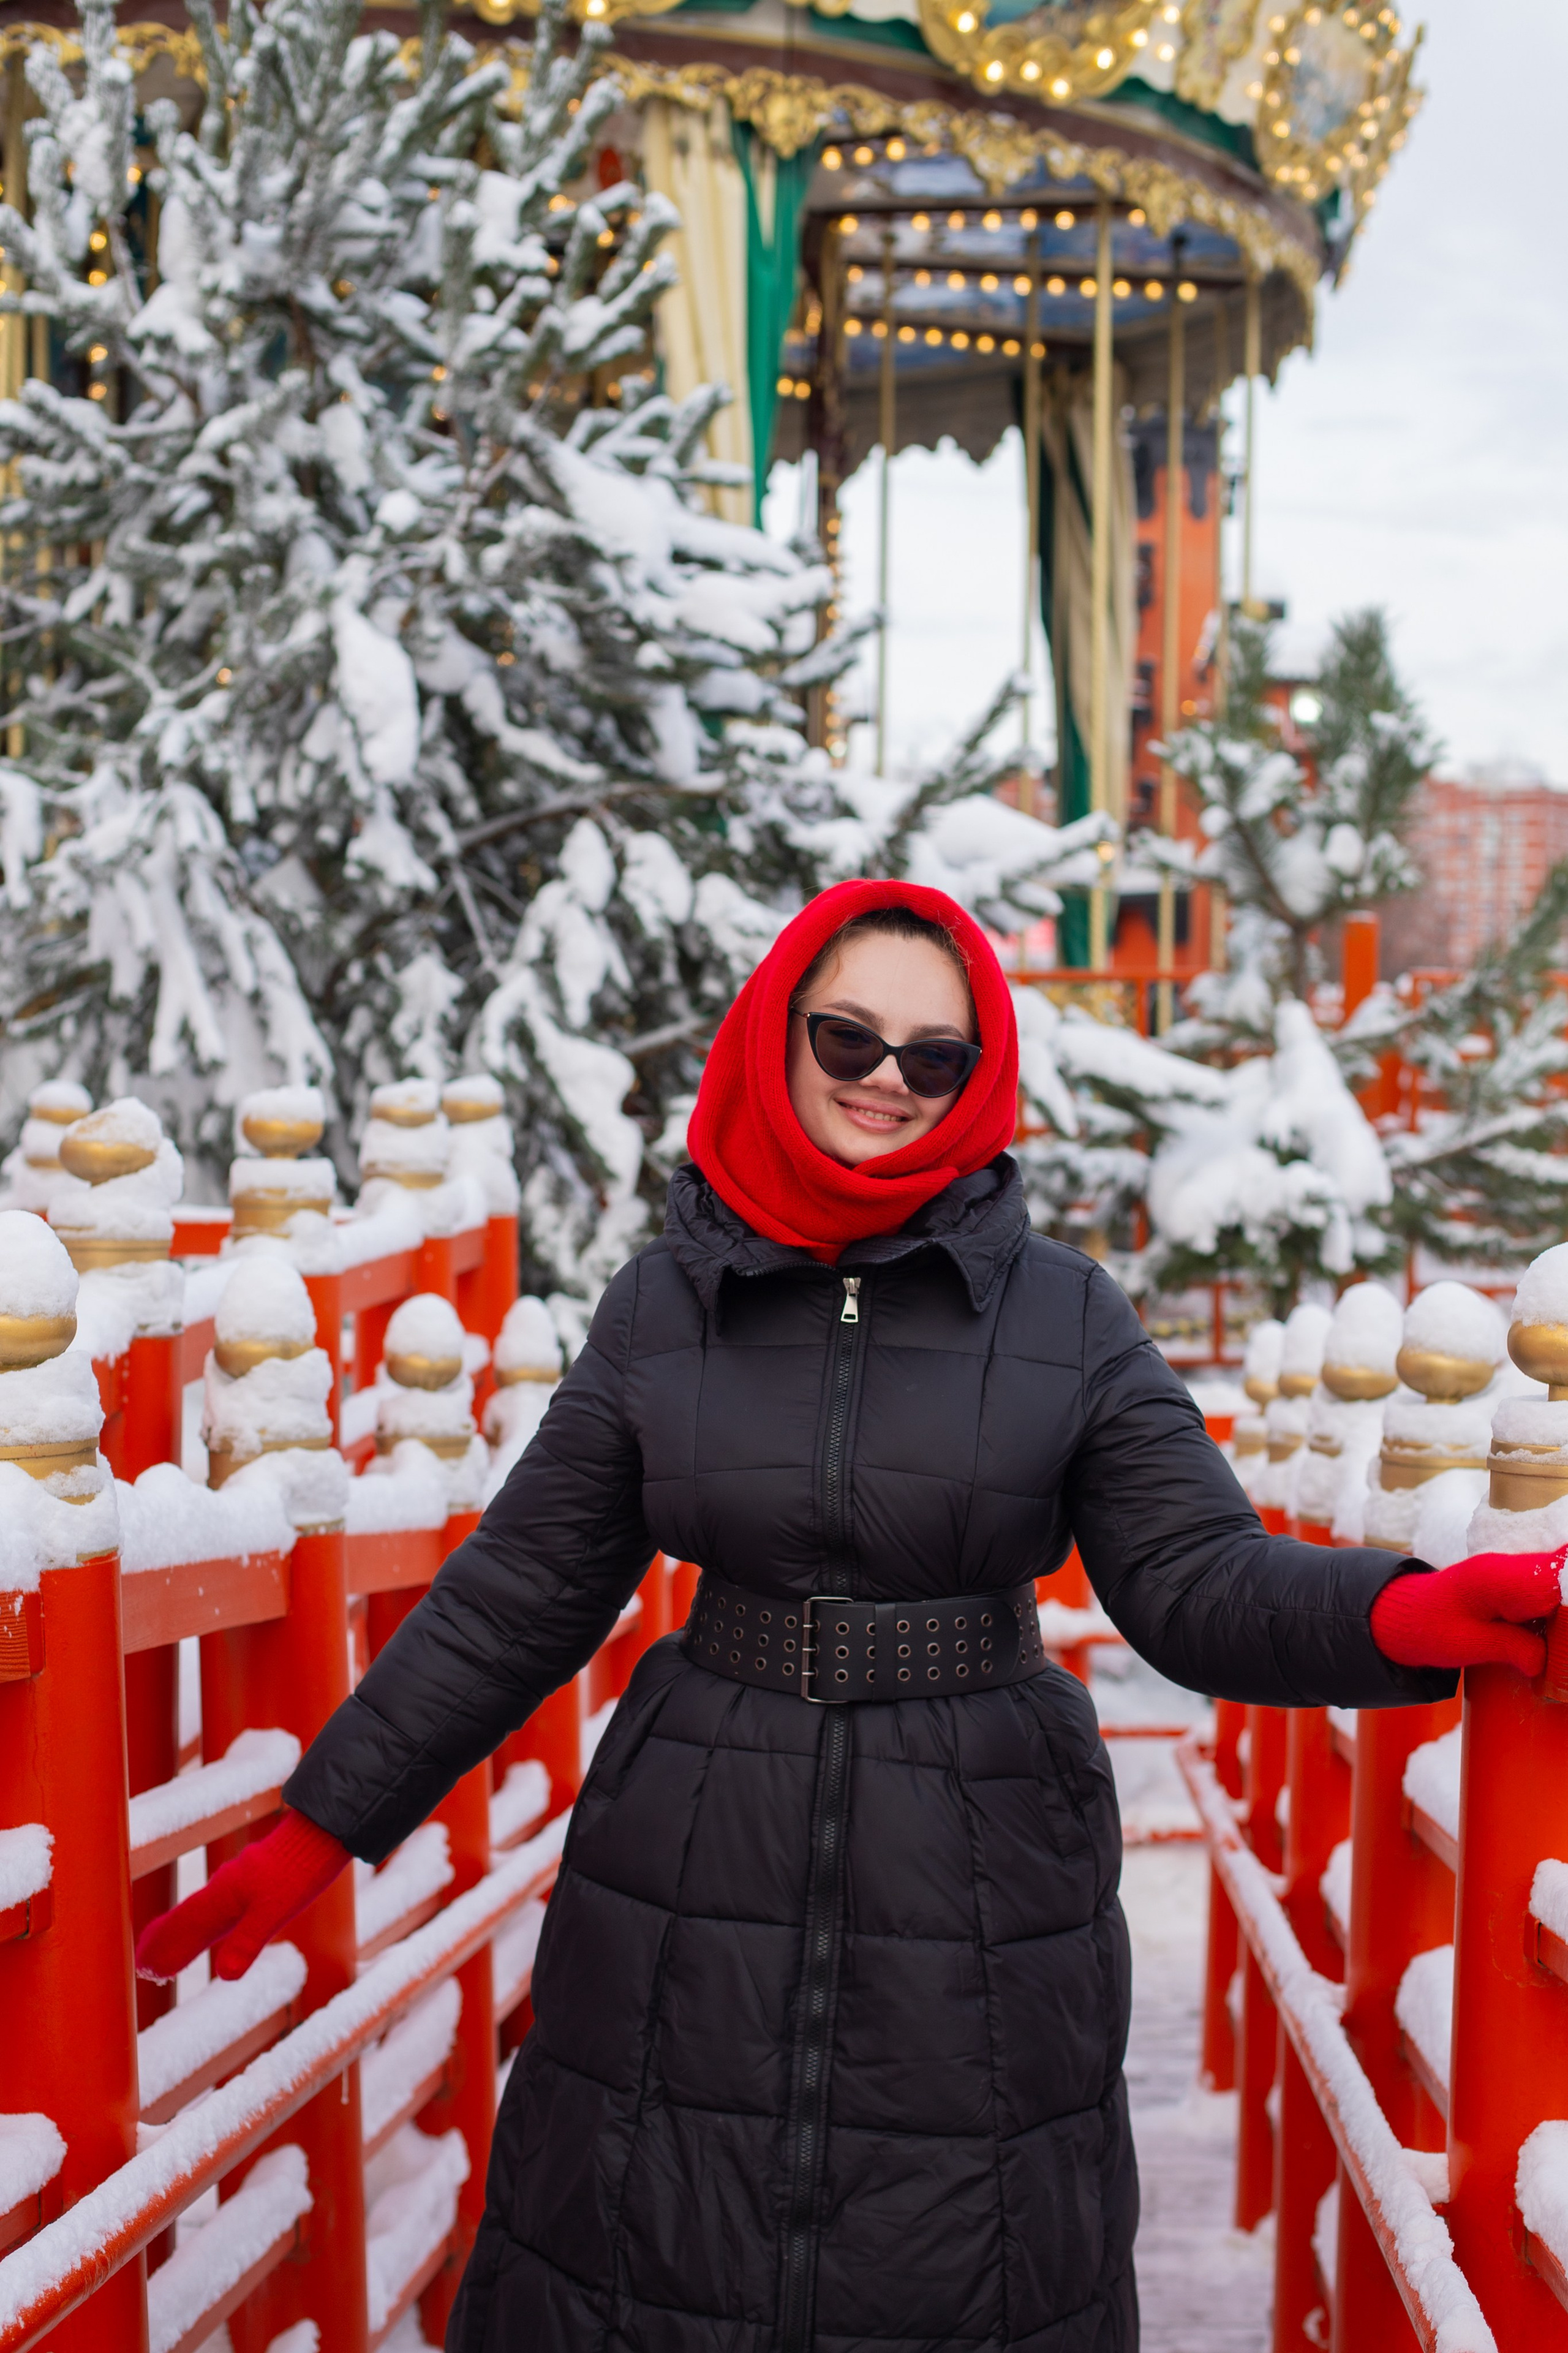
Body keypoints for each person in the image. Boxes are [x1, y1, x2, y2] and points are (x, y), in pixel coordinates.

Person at [139, 878, 1561, 2352]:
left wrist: (1405, 1612)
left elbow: (1197, 1581)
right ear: (777, 1036)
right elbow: (521, 1591)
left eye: (933, 1056)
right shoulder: (664, 1304)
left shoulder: (1063, 1315)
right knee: (645, 2251)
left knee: (958, 2270)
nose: (887, 1080)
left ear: (976, 1080)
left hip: (981, 1866)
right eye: (848, 1037)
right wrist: (325, 1820)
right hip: (689, 1854)